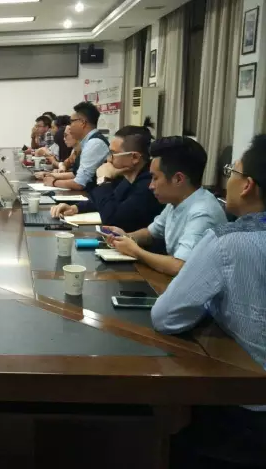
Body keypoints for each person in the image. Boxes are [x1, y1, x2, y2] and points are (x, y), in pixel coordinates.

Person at [152, 134, 266, 466]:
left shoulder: (227, 242)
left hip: (248, 408)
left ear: (247, 186)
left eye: (232, 171)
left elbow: (167, 318)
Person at [104, 136, 227, 276]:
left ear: (178, 179)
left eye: (155, 178)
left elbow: (179, 266)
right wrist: (125, 237)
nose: (151, 186)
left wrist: (136, 251)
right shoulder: (177, 200)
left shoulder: (202, 213)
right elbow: (151, 233)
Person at [51, 127, 164, 233]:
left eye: (113, 153)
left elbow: (113, 219)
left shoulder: (148, 184)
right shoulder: (127, 177)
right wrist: (76, 208)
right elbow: (106, 200)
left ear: (134, 157)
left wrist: (103, 181)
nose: (108, 159)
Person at [45, 102, 110, 190]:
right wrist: (53, 176)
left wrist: (53, 182)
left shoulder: (94, 143)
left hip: (93, 194)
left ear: (82, 122)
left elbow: (80, 183)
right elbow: (77, 174)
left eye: (71, 122)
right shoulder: (87, 142)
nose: (69, 126)